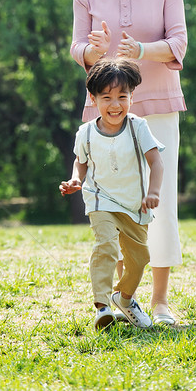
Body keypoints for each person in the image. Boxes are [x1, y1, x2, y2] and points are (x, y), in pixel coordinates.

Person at [70, 0, 187, 326]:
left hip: (156, 104)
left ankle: (158, 302)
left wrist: (141, 49)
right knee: (112, 201)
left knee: (157, 202)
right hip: (104, 113)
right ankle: (120, 296)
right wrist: (90, 51)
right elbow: (75, 45)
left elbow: (178, 43)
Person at [60, 58, 164, 329]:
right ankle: (102, 306)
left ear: (131, 96)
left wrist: (153, 193)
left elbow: (156, 162)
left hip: (135, 205)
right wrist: (75, 180)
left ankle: (124, 298)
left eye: (122, 96)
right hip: (100, 199)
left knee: (141, 260)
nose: (115, 104)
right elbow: (80, 162)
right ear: (93, 99)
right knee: (105, 245)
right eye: (106, 97)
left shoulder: (138, 127)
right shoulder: (85, 133)